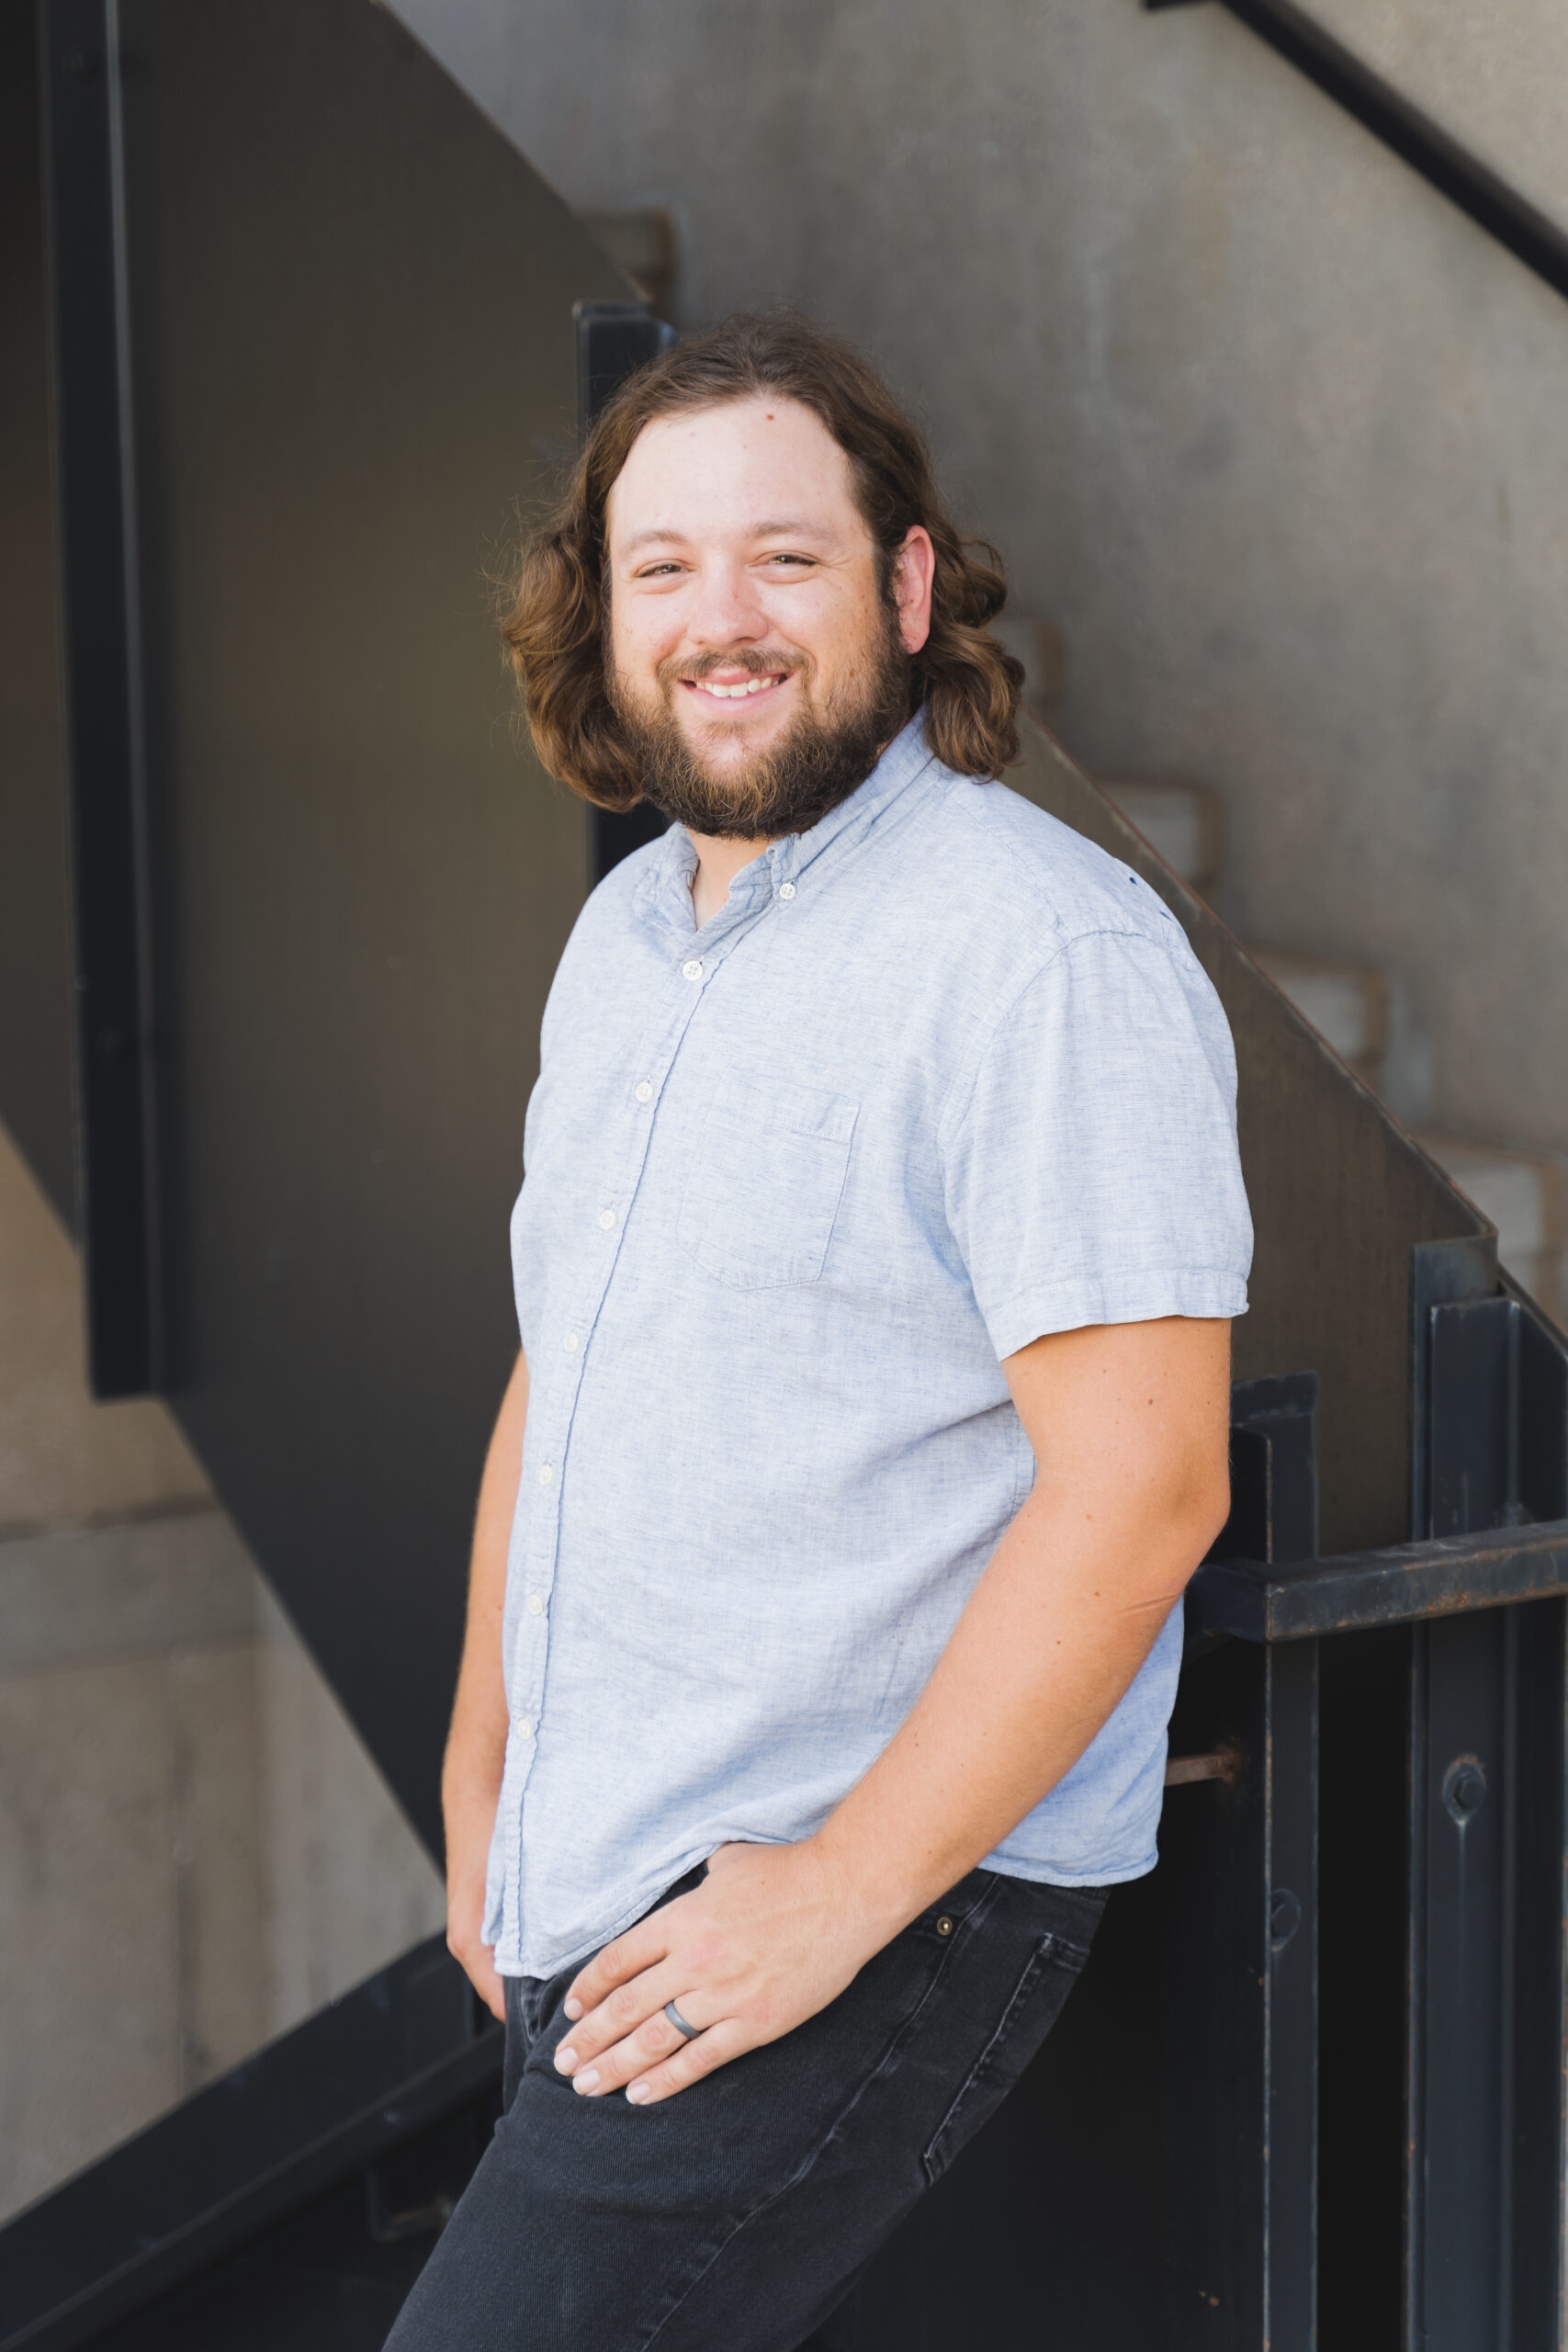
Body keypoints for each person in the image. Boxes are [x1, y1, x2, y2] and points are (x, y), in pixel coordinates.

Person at [386, 311, 1251, 2351]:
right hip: (601, 1873)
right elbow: (564, 1355)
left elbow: (1145, 1484)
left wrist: (845, 1888)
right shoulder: (623, 942)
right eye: (663, 567)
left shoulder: (1034, 950)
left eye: (784, 555)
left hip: (853, 1896)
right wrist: (477, 1764)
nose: (722, 617)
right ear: (599, 618)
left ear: (907, 582)